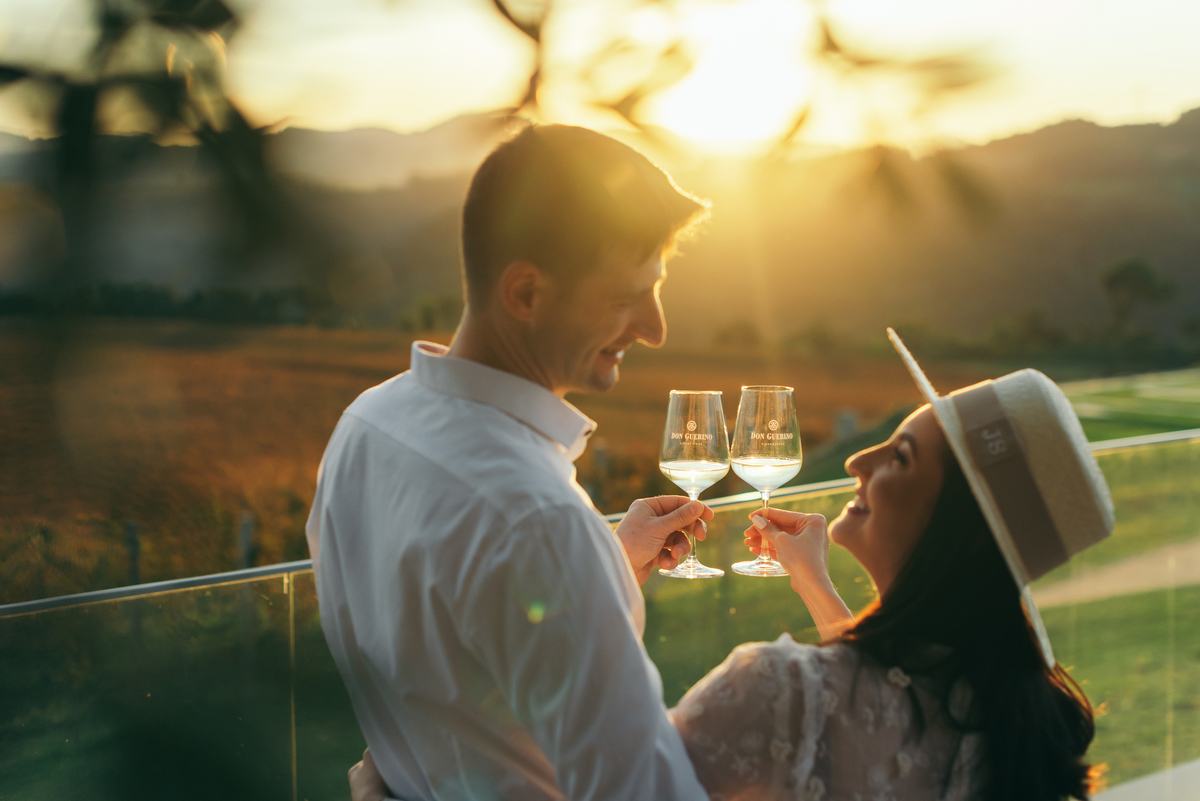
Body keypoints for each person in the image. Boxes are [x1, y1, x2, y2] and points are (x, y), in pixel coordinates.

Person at [350, 329, 1113, 801]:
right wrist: (813, 578)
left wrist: (404, 775)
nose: (858, 457)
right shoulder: (1013, 718)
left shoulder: (776, 691)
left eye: (902, 455)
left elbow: (595, 783)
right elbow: (876, 701)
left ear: (957, 533)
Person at [306, 124, 715, 801]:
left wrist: (603, 569)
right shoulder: (538, 522)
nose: (654, 325)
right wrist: (573, 561)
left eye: (657, 286)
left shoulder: (365, 425)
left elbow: (442, 672)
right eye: (625, 297)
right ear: (525, 294)